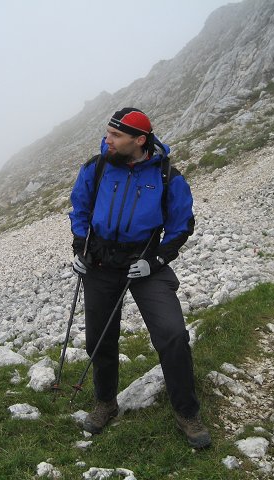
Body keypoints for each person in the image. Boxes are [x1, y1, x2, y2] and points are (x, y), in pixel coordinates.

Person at [68, 107, 211, 449]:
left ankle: (187, 413)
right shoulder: (97, 167)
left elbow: (181, 225)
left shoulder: (166, 176)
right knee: (99, 339)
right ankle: (105, 402)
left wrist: (157, 260)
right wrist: (80, 248)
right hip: (100, 263)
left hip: (145, 263)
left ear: (140, 140)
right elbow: (80, 209)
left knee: (172, 334)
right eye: (108, 133)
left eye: (116, 135)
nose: (107, 140)